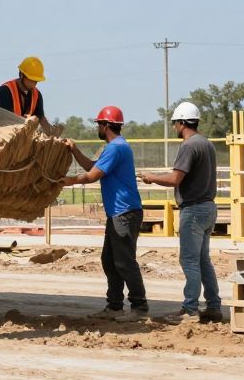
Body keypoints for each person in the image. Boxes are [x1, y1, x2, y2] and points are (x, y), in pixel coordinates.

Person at [63, 106, 149, 322]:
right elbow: (93, 166)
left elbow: (92, 175)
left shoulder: (116, 148)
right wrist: (74, 150)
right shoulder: (114, 147)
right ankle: (115, 306)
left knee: (125, 261)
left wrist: (68, 181)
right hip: (118, 212)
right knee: (110, 260)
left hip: (124, 212)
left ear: (105, 125)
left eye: (98, 124)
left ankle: (139, 307)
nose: (97, 128)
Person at [139, 102, 222, 323]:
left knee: (190, 260)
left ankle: (190, 309)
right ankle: (213, 306)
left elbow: (176, 178)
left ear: (182, 122)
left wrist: (151, 177)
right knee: (203, 260)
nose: (175, 127)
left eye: (175, 123)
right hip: (209, 208)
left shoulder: (188, 146)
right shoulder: (207, 144)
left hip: (193, 210)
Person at [0, 56, 52, 130]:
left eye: (36, 81)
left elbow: (40, 119)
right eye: (31, 80)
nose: (34, 84)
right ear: (21, 75)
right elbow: (0, 120)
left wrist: (51, 131)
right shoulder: (5, 91)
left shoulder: (37, 95)